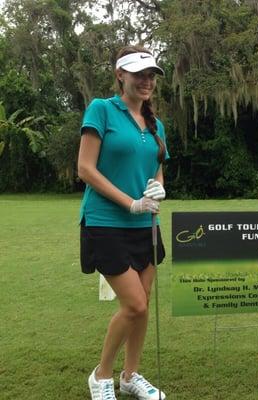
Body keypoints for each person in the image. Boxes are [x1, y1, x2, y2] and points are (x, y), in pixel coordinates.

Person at [77, 45, 169, 400]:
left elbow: (157, 168)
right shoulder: (102, 109)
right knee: (134, 305)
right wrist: (130, 202)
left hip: (144, 225)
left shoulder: (155, 124)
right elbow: (85, 168)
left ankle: (130, 376)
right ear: (120, 75)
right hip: (105, 222)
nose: (146, 81)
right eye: (138, 74)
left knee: (143, 301)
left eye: (151, 75)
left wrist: (157, 189)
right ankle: (101, 376)